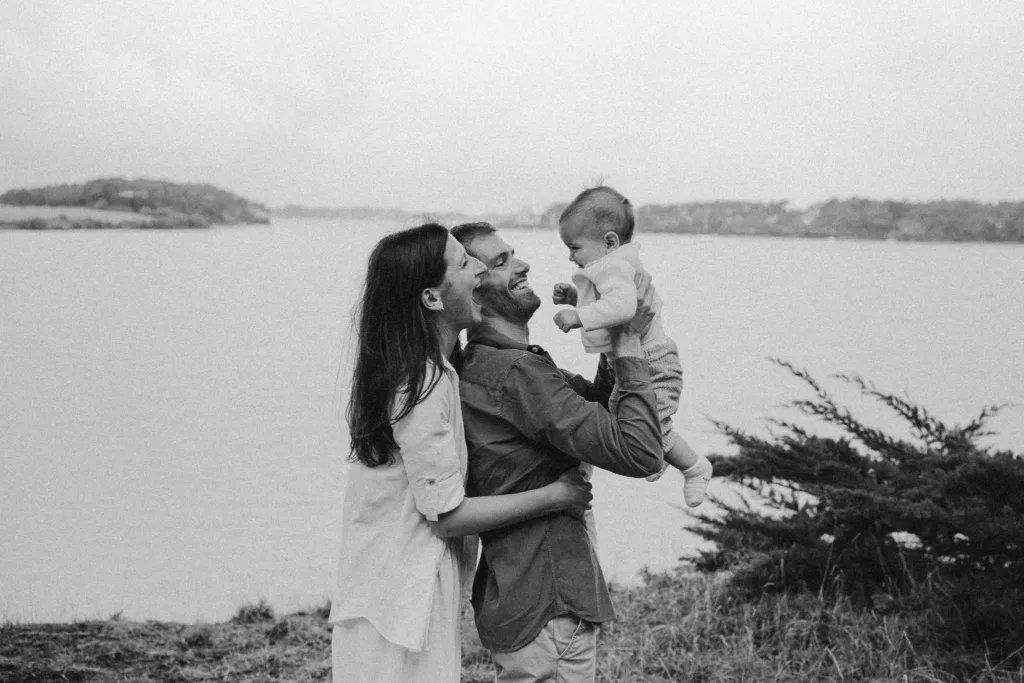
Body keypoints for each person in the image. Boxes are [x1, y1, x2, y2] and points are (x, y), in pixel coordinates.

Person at [329, 223, 594, 683]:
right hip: (403, 603)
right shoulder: (423, 384)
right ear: (432, 298)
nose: (477, 272)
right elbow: (446, 515)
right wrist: (557, 495)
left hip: (395, 594)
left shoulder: (435, 372)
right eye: (464, 263)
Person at [451, 221, 665, 683]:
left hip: (521, 597)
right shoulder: (517, 374)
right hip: (548, 602)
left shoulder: (495, 365)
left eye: (514, 254)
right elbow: (642, 452)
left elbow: (600, 409)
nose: (523, 264)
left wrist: (609, 339)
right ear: (475, 286)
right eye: (501, 262)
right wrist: (628, 341)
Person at [552, 186, 713, 507]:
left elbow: (624, 308)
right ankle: (659, 454)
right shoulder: (613, 267)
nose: (571, 257)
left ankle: (695, 467)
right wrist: (575, 297)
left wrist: (579, 315)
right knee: (627, 413)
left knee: (652, 423)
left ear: (610, 242)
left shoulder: (614, 267)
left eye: (575, 247)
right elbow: (612, 302)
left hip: (651, 362)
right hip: (638, 359)